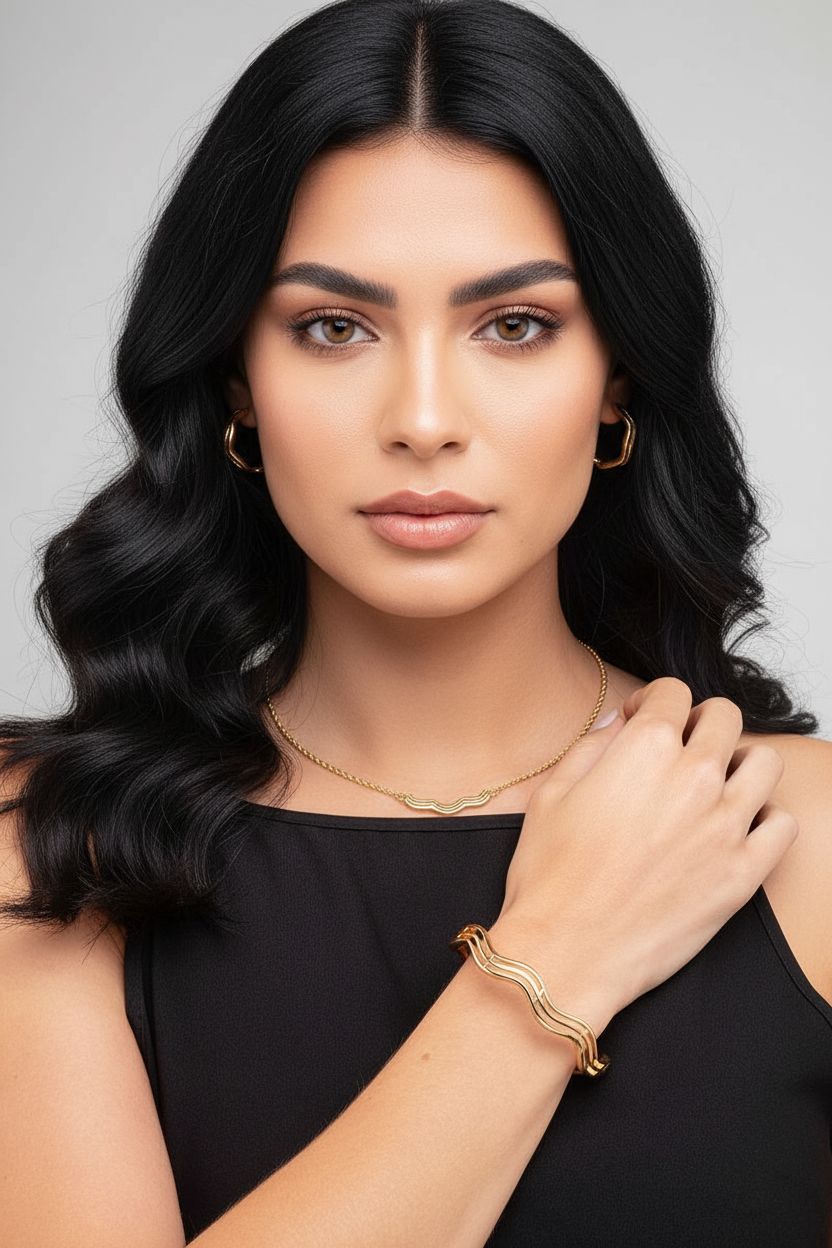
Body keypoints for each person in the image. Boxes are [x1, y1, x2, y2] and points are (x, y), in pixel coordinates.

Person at [1, 0, 830, 1244]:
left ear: (616, 384)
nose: (424, 415)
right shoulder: (51, 848)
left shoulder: (797, 832)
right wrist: (555, 954)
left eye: (515, 324)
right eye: (334, 327)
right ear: (237, 382)